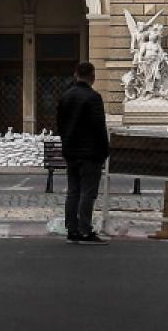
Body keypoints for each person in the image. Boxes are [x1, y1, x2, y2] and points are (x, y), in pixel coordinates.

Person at [55, 61, 110, 245]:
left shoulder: (66, 97)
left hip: (71, 151)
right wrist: (104, 150)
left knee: (73, 191)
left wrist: (67, 144)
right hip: (90, 152)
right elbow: (98, 127)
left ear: (75, 74)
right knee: (88, 192)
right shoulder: (93, 98)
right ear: (92, 77)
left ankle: (71, 228)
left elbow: (60, 125)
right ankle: (85, 229)